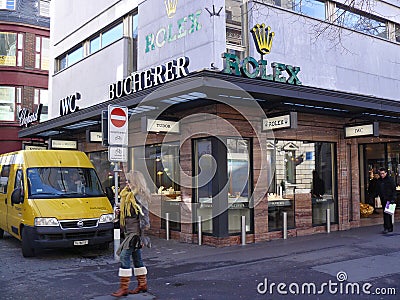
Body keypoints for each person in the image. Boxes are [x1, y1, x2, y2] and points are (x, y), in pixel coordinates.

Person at [112, 170, 151, 297]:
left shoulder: (139, 196)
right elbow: (127, 214)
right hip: (129, 231)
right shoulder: (126, 195)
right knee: (137, 258)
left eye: (129, 181)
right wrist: (119, 212)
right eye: (126, 181)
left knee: (124, 256)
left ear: (135, 182)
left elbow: (145, 218)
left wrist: (142, 237)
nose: (126, 183)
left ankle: (124, 288)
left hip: (135, 233)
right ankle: (142, 285)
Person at [376, 167, 396, 233]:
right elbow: (378, 189)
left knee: (388, 214)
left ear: (386, 173)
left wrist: (393, 198)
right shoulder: (379, 180)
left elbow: (393, 190)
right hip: (383, 199)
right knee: (385, 214)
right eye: (380, 174)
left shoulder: (390, 180)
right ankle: (388, 227)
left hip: (389, 199)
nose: (382, 175)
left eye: (383, 173)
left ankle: (388, 228)